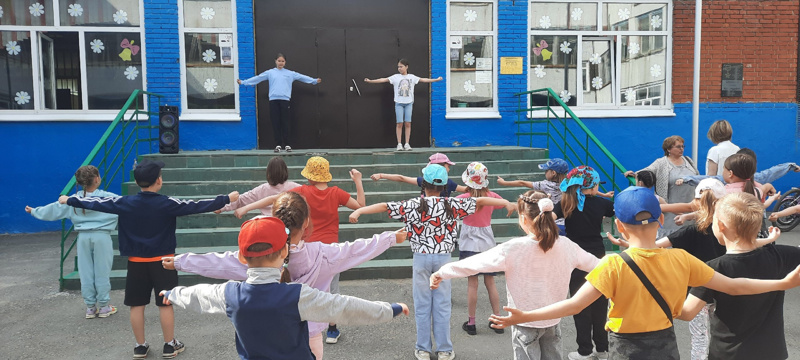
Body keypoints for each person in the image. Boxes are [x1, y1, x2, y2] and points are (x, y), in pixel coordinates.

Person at [489, 186, 800, 360]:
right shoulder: (680, 259)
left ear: (620, 226)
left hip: (625, 349)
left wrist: (523, 317)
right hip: (666, 348)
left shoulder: (612, 265)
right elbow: (733, 285)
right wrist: (783, 282)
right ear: (658, 222)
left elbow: (573, 306)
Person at [163, 191, 406, 360]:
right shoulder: (321, 258)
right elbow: (345, 301)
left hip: (258, 344)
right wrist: (390, 239)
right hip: (309, 337)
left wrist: (177, 278)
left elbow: (208, 282)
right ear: (307, 224)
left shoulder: (248, 265)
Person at [59, 159, 239, 359]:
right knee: (165, 302)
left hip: (136, 263)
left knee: (137, 305)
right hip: (164, 262)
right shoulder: (168, 203)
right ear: (159, 181)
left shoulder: (124, 202)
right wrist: (226, 198)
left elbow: (96, 202)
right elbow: (195, 206)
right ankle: (169, 345)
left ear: (137, 183)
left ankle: (140, 346)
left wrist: (70, 200)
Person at [349, 164, 515, 360]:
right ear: (445, 186)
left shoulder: (413, 204)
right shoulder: (452, 204)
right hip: (444, 260)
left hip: (421, 258)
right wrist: (505, 202)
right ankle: (444, 349)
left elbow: (385, 206)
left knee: (422, 306)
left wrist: (358, 212)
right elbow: (480, 200)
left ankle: (423, 349)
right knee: (442, 305)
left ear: (424, 185)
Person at [430, 190, 599, 360]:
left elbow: (474, 264)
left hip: (523, 322)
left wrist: (442, 272)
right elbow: (598, 265)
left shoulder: (513, 249)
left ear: (523, 218)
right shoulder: (567, 245)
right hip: (553, 320)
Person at [233, 155, 364, 344]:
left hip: (307, 248)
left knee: (303, 286)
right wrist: (358, 181)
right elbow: (360, 206)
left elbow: (272, 199)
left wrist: (246, 208)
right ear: (326, 175)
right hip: (331, 250)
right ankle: (332, 330)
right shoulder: (336, 193)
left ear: (310, 176)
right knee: (332, 288)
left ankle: (302, 324)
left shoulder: (302, 191)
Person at [680, 192, 800, 360]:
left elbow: (687, 313)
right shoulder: (780, 255)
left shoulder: (713, 268)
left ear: (721, 225)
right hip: (772, 352)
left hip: (728, 354)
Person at [26, 165, 119, 319]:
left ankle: (90, 307)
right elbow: (127, 205)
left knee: (86, 272)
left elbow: (54, 209)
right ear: (97, 179)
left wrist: (35, 211)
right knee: (102, 271)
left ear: (80, 182)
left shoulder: (72, 200)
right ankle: (104, 306)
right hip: (102, 236)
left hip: (83, 237)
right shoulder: (108, 197)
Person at [552, 166, 614, 360]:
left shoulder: (565, 202)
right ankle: (602, 349)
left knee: (579, 304)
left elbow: (548, 218)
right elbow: (615, 211)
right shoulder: (602, 203)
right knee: (600, 302)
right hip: (598, 256)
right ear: (592, 185)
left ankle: (584, 351)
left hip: (575, 258)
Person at [453, 162, 506, 336]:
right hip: (488, 244)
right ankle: (497, 320)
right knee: (490, 283)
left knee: (472, 284)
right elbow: (500, 204)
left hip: (469, 244)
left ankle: (472, 322)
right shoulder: (492, 196)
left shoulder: (462, 199)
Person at [237, 53, 321, 153]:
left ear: (285, 62)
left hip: (285, 101)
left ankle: (287, 144)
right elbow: (258, 78)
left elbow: (302, 77)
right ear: (275, 61)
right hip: (273, 101)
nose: (280, 63)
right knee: (275, 123)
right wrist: (244, 82)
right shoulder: (270, 73)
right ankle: (278, 145)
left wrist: (314, 81)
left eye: (282, 61)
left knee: (285, 123)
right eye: (279, 61)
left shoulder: (290, 73)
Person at [624, 135, 699, 236]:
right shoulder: (661, 163)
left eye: (683, 146)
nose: (681, 149)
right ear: (668, 149)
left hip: (690, 206)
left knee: (690, 236)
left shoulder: (688, 160)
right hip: (669, 210)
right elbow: (647, 171)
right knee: (671, 238)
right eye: (678, 147)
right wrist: (634, 174)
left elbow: (697, 176)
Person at [364, 58, 443, 151]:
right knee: (399, 123)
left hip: (409, 103)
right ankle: (399, 144)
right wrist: (370, 81)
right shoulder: (395, 77)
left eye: (401, 67)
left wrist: (436, 80)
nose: (399, 68)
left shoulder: (412, 77)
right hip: (399, 103)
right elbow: (383, 80)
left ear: (406, 67)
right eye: (398, 67)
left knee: (408, 123)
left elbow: (423, 80)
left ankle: (407, 144)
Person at [215, 157, 300, 216]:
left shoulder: (262, 189)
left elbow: (241, 199)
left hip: (267, 224)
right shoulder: (296, 187)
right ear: (285, 171)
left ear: (268, 173)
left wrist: (221, 207)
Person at [678, 147, 800, 187]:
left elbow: (707, 179)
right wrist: (790, 166)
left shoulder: (726, 180)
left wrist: (686, 179)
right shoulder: (758, 180)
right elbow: (774, 171)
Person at [370, 153, 468, 197]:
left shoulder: (424, 181)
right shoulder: (449, 183)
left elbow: (402, 178)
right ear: (441, 166)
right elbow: (466, 189)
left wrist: (381, 175)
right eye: (448, 165)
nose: (449, 168)